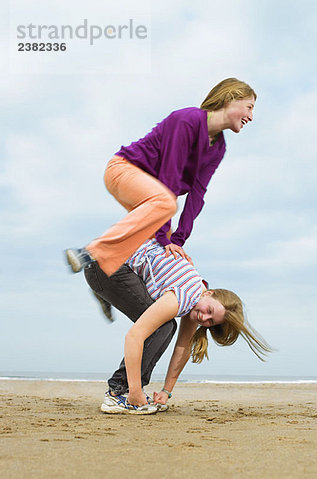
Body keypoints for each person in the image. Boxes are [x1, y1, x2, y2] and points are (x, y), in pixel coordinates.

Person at [66, 77, 256, 283]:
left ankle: (102, 280)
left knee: (160, 251)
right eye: (249, 107)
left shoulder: (218, 148)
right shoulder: (188, 119)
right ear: (230, 98)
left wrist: (177, 241)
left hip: (154, 193)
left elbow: (197, 194)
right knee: (165, 209)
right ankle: (88, 253)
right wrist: (165, 236)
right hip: (123, 170)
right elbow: (170, 174)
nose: (251, 116)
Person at [84, 239, 270, 414]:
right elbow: (134, 336)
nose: (204, 317)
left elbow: (183, 347)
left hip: (107, 265)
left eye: (211, 322)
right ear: (210, 293)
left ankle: (103, 292)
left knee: (166, 325)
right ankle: (118, 394)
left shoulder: (197, 297)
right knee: (162, 327)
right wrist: (135, 392)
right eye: (210, 310)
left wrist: (166, 391)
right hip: (105, 266)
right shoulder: (185, 296)